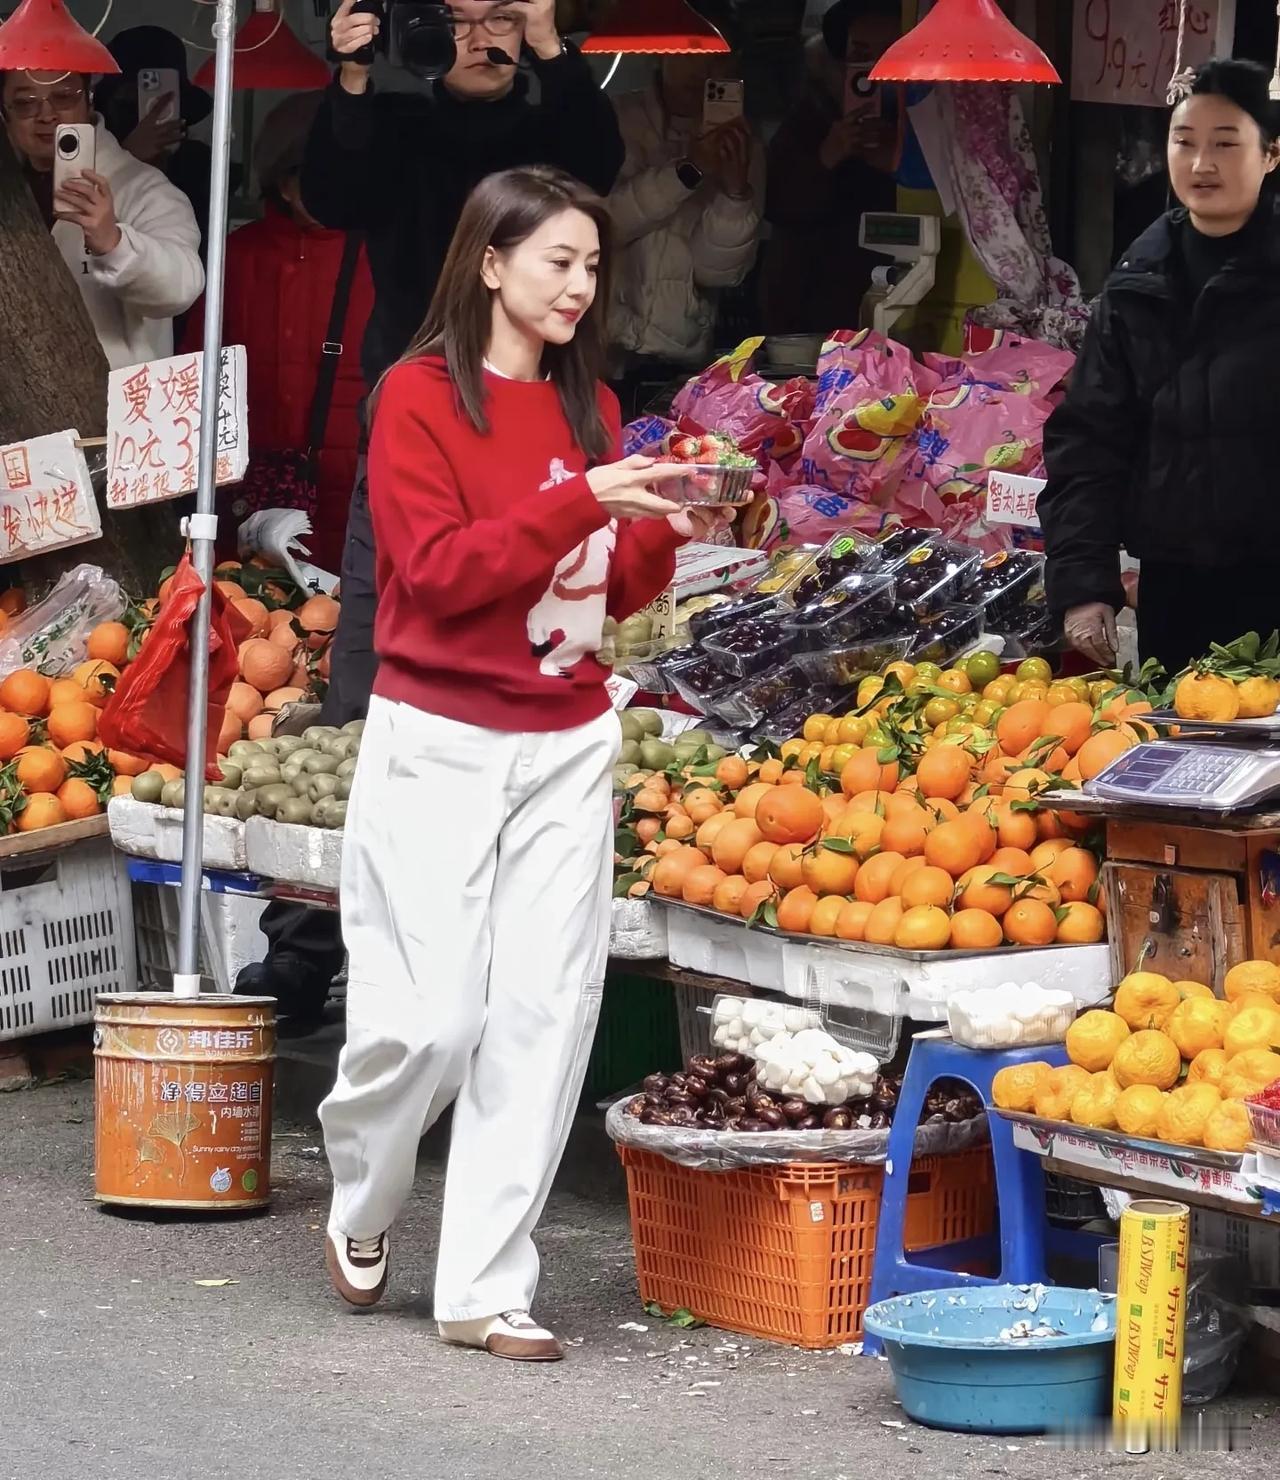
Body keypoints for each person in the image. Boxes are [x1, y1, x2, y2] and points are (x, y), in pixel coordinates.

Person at [322, 166, 729, 1359]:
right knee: (428, 1023)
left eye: (591, 265)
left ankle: (483, 1287)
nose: (578, 285)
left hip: (566, 736)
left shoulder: (588, 404)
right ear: (490, 262)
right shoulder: (414, 397)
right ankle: (364, 1193)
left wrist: (665, 531)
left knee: (543, 1018)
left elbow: (600, 590)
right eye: (557, 260)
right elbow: (437, 574)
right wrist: (584, 499)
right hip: (437, 733)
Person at [234, 0, 627, 1022]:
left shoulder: (548, 133)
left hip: (538, 430)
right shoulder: (399, 124)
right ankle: (307, 946)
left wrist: (552, 44)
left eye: (502, 17)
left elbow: (601, 167)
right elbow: (333, 190)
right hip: (417, 427)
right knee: (367, 679)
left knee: (529, 672)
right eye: (458, 19)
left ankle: (483, 960)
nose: (481, 37)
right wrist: (355, 75)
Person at [1040, 58, 1280, 676]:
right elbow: (1089, 440)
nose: (1201, 164)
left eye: (1225, 143)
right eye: (1185, 141)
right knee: (1179, 728)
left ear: (1271, 155)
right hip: (1176, 594)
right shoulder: (1135, 286)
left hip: (1273, 580)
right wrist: (1084, 581)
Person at [181, 93, 375, 573]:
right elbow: (195, 372)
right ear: (283, 183)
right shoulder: (237, 254)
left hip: (358, 489)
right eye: (318, 172)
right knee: (250, 606)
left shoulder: (385, 257)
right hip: (252, 489)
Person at [1, 68, 204, 369]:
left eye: (63, 97)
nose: (46, 115)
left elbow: (181, 287)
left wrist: (114, 244)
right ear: (5, 112)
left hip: (113, 392)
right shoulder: (9, 188)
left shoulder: (143, 188)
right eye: (25, 102)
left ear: (89, 99)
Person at [608, 52, 764, 387]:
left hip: (678, 353)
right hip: (601, 344)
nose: (702, 68)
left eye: (718, 58)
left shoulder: (742, 143)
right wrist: (687, 172)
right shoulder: (615, 119)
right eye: (691, 54)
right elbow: (604, 225)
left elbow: (717, 272)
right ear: (662, 53)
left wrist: (734, 193)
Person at [759, 0, 899, 334]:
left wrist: (900, 163)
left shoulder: (932, 123)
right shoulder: (810, 120)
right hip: (814, 318)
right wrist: (827, 156)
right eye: (860, 53)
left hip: (904, 306)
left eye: (889, 53)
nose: (874, 69)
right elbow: (776, 206)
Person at [93, 26, 217, 264]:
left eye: (157, 97)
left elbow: (201, 254)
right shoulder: (86, 158)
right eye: (129, 99)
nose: (144, 109)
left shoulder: (201, 166)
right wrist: (126, 161)